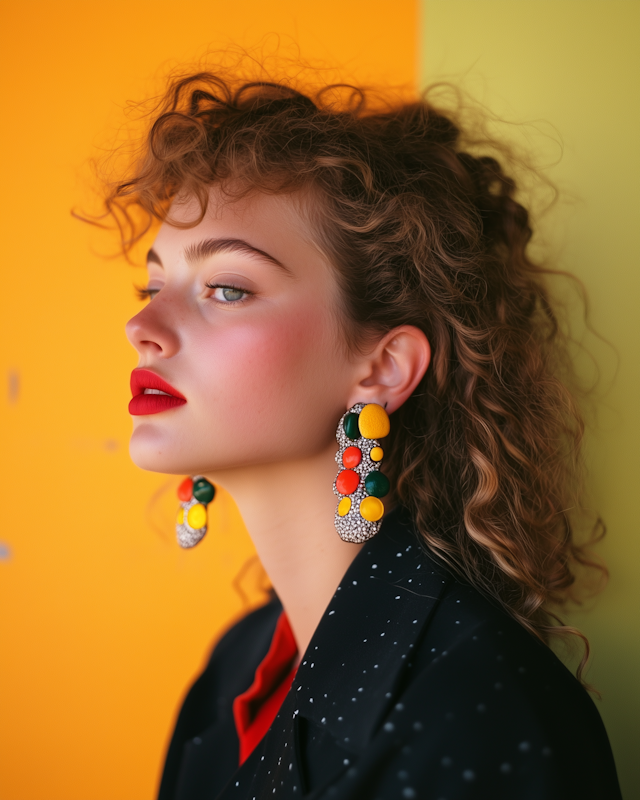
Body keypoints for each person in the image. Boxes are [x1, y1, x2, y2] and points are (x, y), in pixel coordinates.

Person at [99, 68, 622, 799]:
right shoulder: (239, 666)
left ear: (381, 366)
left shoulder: (487, 713)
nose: (141, 328)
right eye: (154, 287)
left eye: (226, 287)